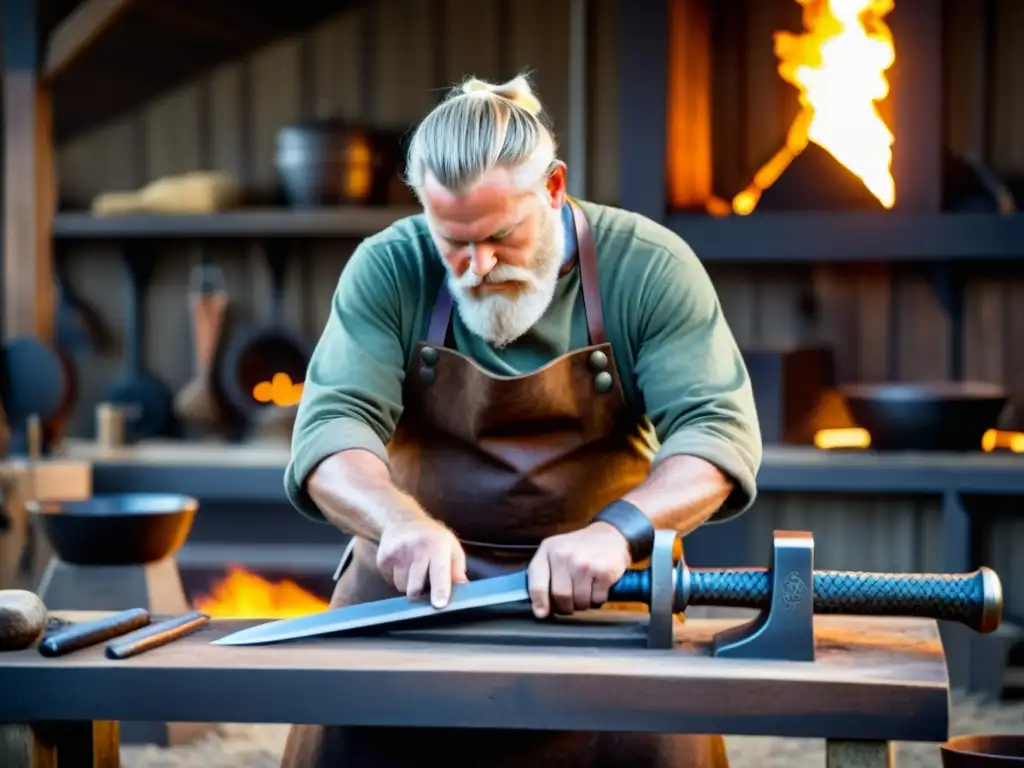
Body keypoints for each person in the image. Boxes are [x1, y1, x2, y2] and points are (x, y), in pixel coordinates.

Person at [279, 73, 762, 768]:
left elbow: (715, 436)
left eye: (501, 237)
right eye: (452, 243)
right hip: (413, 598)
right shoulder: (387, 268)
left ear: (555, 188)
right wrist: (399, 525)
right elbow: (330, 434)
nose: (476, 268)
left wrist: (615, 533)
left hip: (607, 592)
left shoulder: (648, 268)